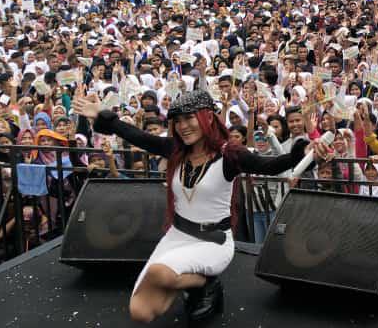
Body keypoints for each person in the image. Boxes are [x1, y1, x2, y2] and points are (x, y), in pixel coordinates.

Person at [72, 88, 331, 323]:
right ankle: (194, 282)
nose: (183, 126)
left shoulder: (230, 154)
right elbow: (135, 135)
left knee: (161, 274)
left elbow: (269, 166)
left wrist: (303, 152)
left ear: (207, 117)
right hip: (177, 236)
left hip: (213, 241)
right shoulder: (174, 149)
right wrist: (101, 115)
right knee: (141, 312)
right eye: (178, 120)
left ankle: (206, 284)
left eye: (189, 118)